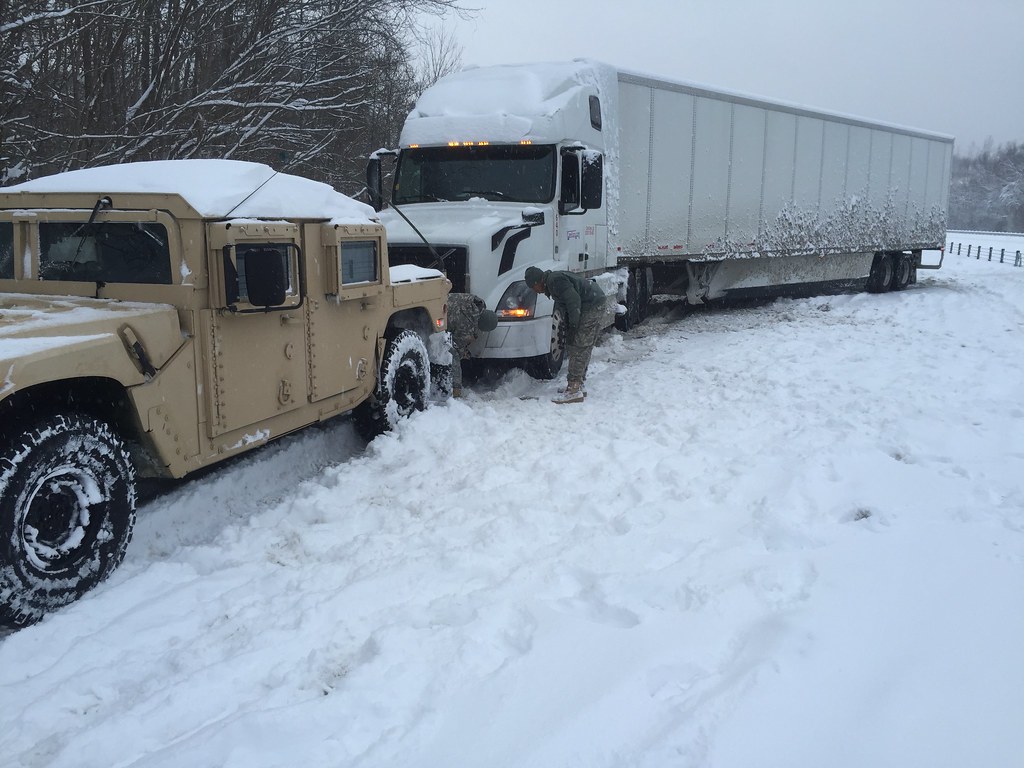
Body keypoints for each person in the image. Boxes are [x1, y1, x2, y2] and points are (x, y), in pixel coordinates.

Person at [525, 266, 605, 404]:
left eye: (533, 287)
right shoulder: (553, 283)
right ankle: (578, 383)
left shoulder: (555, 281)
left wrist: (574, 326)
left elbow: (573, 301)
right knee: (582, 345)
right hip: (593, 302)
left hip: (592, 305)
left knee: (579, 345)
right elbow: (565, 304)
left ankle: (574, 388)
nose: (535, 292)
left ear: (537, 282)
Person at [446, 292, 498, 397]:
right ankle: (455, 390)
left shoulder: (477, 302)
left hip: (439, 301)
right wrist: (463, 353)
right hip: (434, 319)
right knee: (453, 355)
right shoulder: (465, 325)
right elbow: (456, 346)